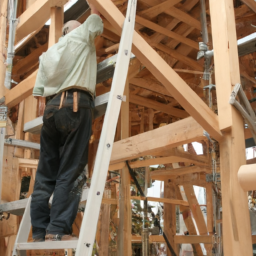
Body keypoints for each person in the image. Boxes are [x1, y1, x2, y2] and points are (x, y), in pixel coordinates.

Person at [30, 1, 103, 242]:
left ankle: (40, 230)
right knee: (71, 170)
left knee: (45, 172)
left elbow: (39, 92)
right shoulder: (82, 35)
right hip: (75, 105)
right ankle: (58, 229)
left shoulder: (49, 54)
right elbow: (96, 18)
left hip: (51, 111)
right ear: (76, 29)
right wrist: (95, 5)